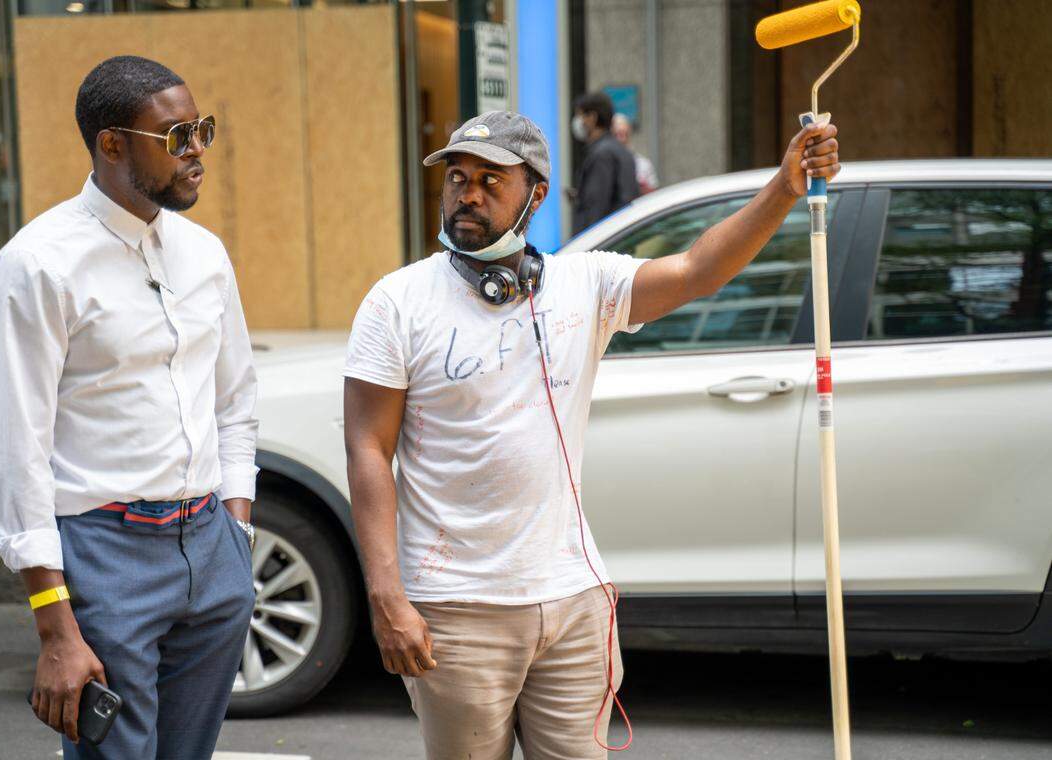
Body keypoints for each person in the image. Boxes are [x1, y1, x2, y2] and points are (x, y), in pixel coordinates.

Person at [342, 109, 840, 759]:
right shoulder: (397, 302)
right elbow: (367, 448)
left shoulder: (586, 285)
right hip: (456, 609)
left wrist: (783, 188)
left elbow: (696, 271)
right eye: (458, 177)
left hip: (575, 603)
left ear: (537, 194)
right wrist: (387, 596)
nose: (468, 194)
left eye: (492, 181)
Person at [0, 55, 258, 760]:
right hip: (106, 553)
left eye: (201, 130)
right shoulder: (37, 267)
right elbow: (18, 453)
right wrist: (54, 624)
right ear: (111, 145)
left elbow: (235, 397)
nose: (197, 152)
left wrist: (238, 533)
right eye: (175, 137)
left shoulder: (205, 254)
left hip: (211, 545)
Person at [570, 92, 639, 232]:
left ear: (592, 118)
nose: (579, 122)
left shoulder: (601, 154)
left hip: (602, 243)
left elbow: (595, 206)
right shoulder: (621, 150)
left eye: (581, 115)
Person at [611, 113, 659, 195]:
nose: (621, 139)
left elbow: (655, 195)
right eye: (617, 135)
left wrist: (640, 187)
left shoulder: (643, 163)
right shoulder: (604, 164)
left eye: (625, 134)